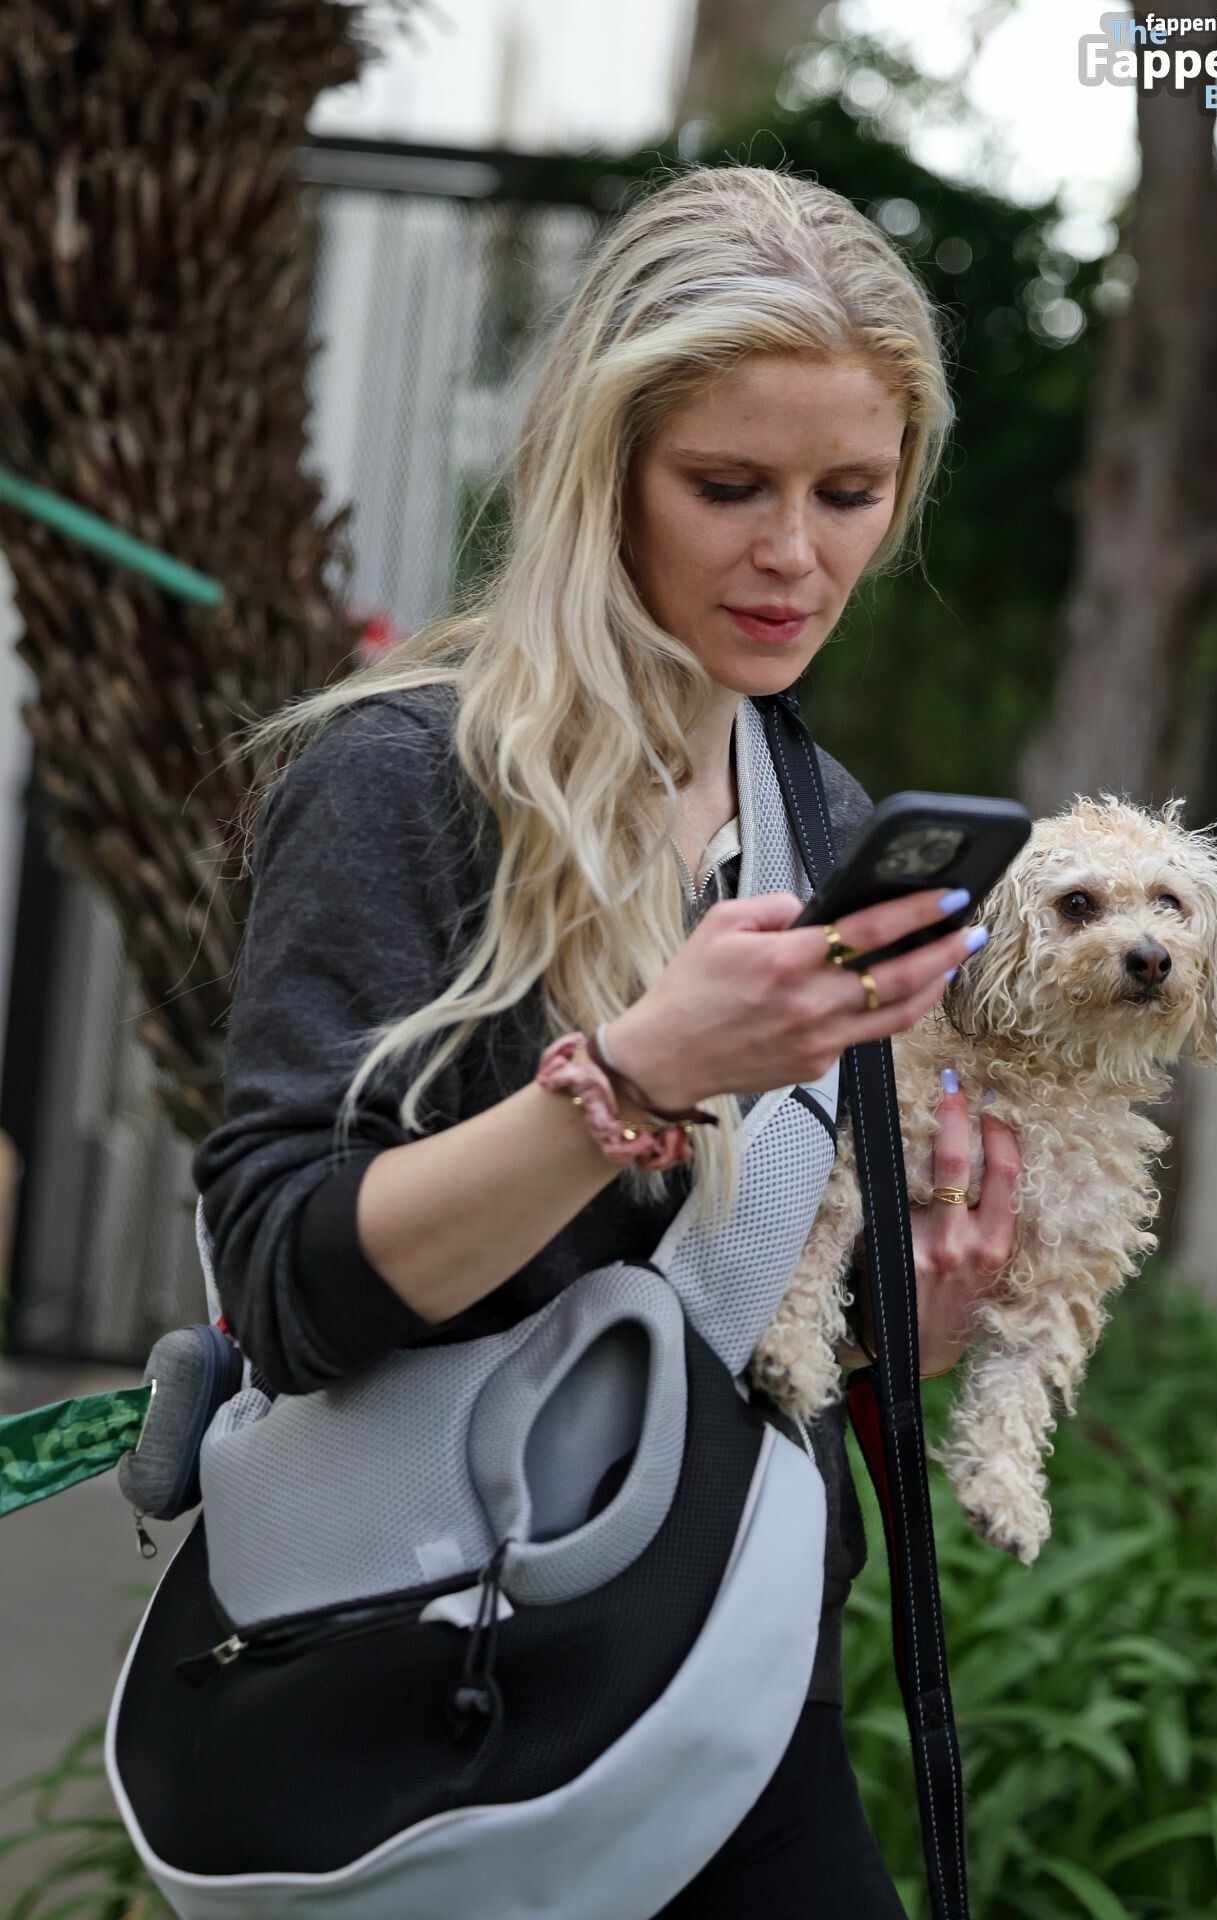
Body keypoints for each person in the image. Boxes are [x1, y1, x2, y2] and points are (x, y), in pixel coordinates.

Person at [194, 163, 1022, 1917]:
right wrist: (641, 1076)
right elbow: (282, 1281)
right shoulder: (405, 777)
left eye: (850, 493)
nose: (793, 555)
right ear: (605, 466)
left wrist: (896, 1331)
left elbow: (719, 1323)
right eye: (727, 487)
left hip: (732, 1672)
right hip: (433, 1683)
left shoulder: (823, 817)